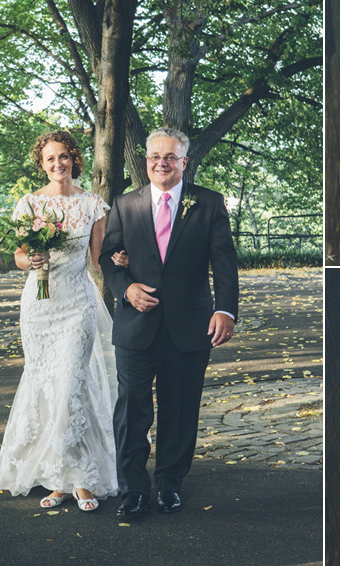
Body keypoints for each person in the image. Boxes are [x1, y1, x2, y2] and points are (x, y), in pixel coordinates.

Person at [99, 127, 239, 518]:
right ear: (146, 160)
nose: (161, 163)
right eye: (154, 156)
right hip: (135, 327)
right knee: (131, 410)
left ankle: (170, 485)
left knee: (180, 410)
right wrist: (126, 290)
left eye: (170, 157)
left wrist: (225, 310)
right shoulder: (125, 204)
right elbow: (109, 258)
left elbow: (224, 260)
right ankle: (133, 491)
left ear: (184, 162)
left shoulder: (208, 203)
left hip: (190, 324)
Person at [0, 131, 128, 511]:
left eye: (64, 157)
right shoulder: (29, 203)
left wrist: (119, 261)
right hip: (39, 307)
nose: (58, 164)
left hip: (76, 305)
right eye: (50, 159)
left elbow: (99, 258)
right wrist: (30, 260)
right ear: (42, 163)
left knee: (70, 383)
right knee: (47, 387)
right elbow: (18, 256)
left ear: (74, 160)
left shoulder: (93, 204)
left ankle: (82, 479)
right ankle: (57, 480)